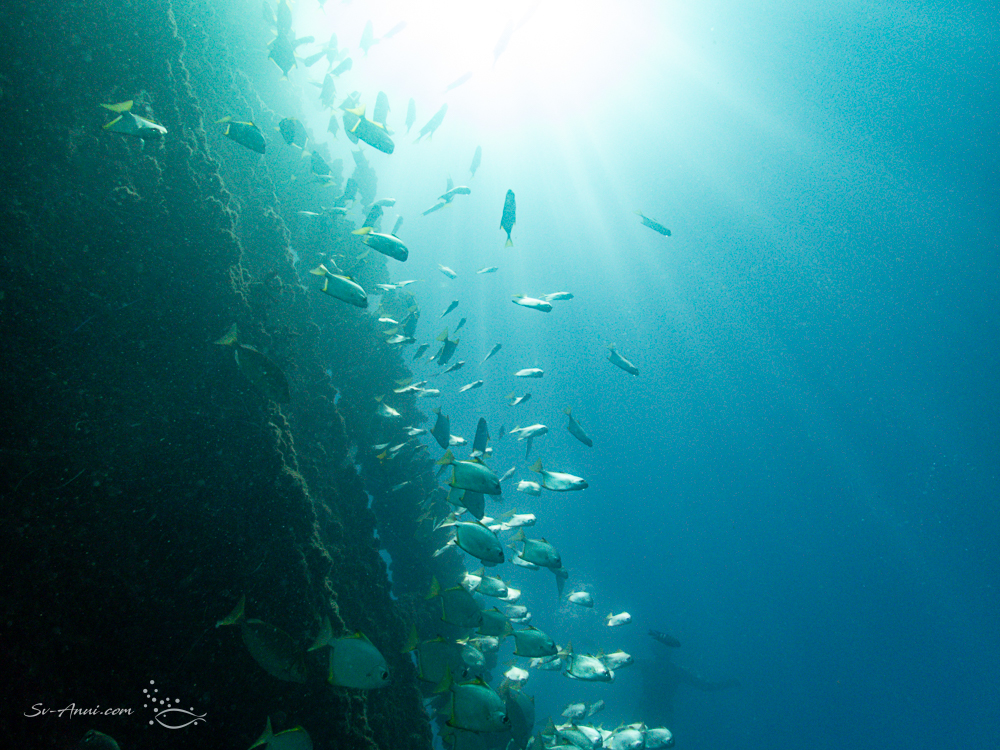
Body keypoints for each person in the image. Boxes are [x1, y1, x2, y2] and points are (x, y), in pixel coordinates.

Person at [639, 629, 740, 725]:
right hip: (663, 712)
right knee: (663, 740)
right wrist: (729, 683)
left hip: (647, 709)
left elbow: (705, 686)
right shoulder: (676, 670)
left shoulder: (647, 664)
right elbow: (705, 686)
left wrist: (729, 683)